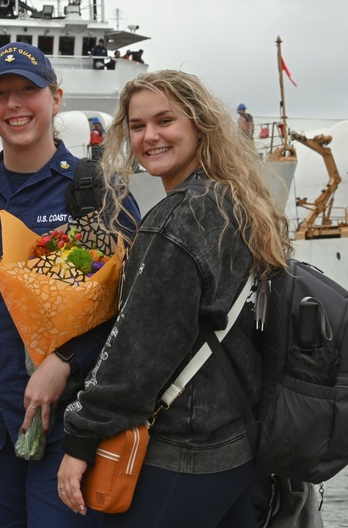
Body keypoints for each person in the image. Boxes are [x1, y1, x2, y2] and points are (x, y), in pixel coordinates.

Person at [57, 70, 292, 526]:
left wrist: (80, 440)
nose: (150, 137)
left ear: (199, 124)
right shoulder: (235, 202)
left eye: (165, 121)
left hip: (183, 454)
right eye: (138, 126)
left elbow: (138, 351)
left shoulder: (176, 220)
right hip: (238, 446)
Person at [0, 42, 140, 528]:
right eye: (0, 94)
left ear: (56, 97)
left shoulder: (97, 194)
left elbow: (134, 310)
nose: (14, 105)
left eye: (28, 90)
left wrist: (67, 361)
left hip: (69, 433)